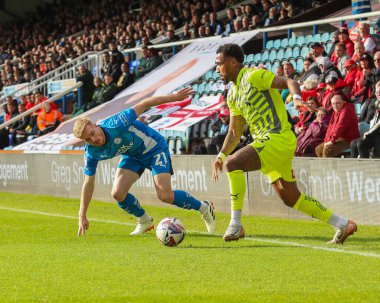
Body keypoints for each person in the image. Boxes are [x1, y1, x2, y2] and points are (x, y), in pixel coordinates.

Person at [212, 43, 357, 244]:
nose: (217, 68)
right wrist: (220, 155)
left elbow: (290, 81)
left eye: (219, 64)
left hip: (277, 137)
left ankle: (236, 224)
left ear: (233, 62)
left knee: (232, 164)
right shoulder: (233, 95)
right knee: (291, 198)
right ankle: (342, 224)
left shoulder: (254, 76)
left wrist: (297, 98)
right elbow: (235, 132)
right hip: (267, 143)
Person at [73, 88, 216, 237]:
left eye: (92, 133)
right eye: (88, 139)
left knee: (165, 195)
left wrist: (174, 97)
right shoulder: (91, 152)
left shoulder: (116, 123)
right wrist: (82, 215)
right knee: (117, 193)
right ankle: (145, 221)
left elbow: (144, 103)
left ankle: (204, 208)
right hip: (133, 155)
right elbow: (88, 183)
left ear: (95, 125)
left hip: (154, 148)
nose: (94, 139)